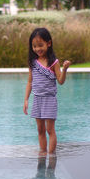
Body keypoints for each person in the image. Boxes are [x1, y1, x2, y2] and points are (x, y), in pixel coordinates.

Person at [23, 28, 71, 156]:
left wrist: (65, 69)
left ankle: (51, 155)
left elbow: (60, 81)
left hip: (49, 99)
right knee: (40, 129)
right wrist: (26, 99)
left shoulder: (53, 62)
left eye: (40, 45)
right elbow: (30, 82)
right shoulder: (33, 63)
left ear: (48, 44)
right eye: (34, 46)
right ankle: (43, 152)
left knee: (50, 130)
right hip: (37, 99)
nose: (37, 49)